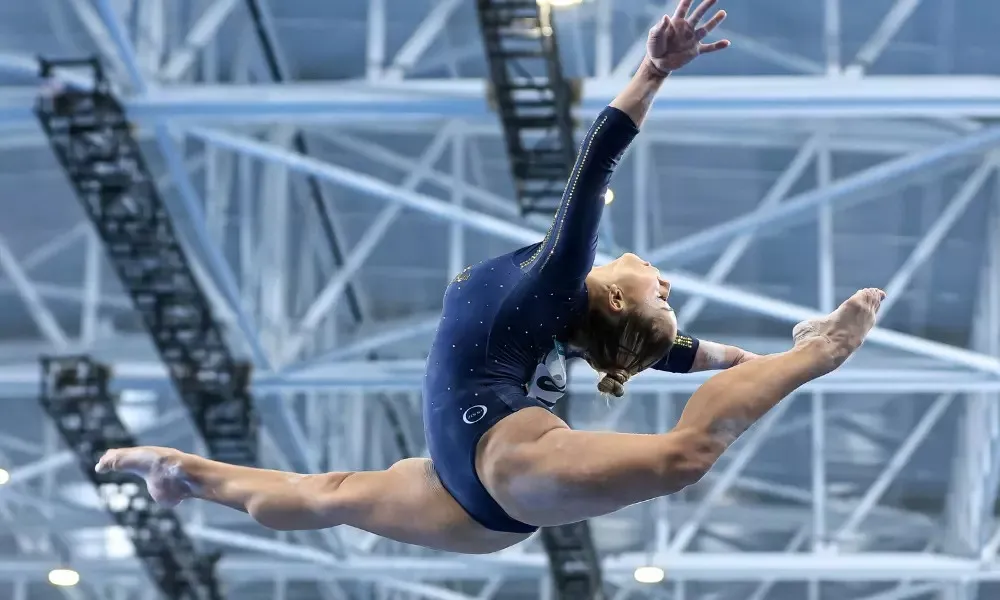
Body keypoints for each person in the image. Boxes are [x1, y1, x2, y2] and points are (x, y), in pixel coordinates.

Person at [97, 0, 885, 556]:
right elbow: (673, 351)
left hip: (498, 472)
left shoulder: (560, 283)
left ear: (613, 296)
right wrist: (751, 362)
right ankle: (183, 474)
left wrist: (652, 71)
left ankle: (821, 353)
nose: (664, 283)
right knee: (325, 493)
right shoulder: (559, 315)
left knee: (683, 457)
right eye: (668, 300)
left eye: (662, 295)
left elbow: (596, 165)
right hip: (470, 498)